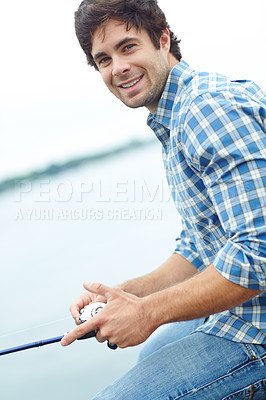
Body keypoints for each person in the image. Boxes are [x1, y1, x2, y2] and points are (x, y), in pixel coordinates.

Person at [61, 0, 266, 398]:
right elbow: (199, 245)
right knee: (152, 352)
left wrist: (148, 313)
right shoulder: (175, 116)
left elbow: (258, 253)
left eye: (127, 47)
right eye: (103, 58)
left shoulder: (206, 110)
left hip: (257, 329)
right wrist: (126, 296)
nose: (117, 67)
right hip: (240, 313)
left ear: (163, 39)